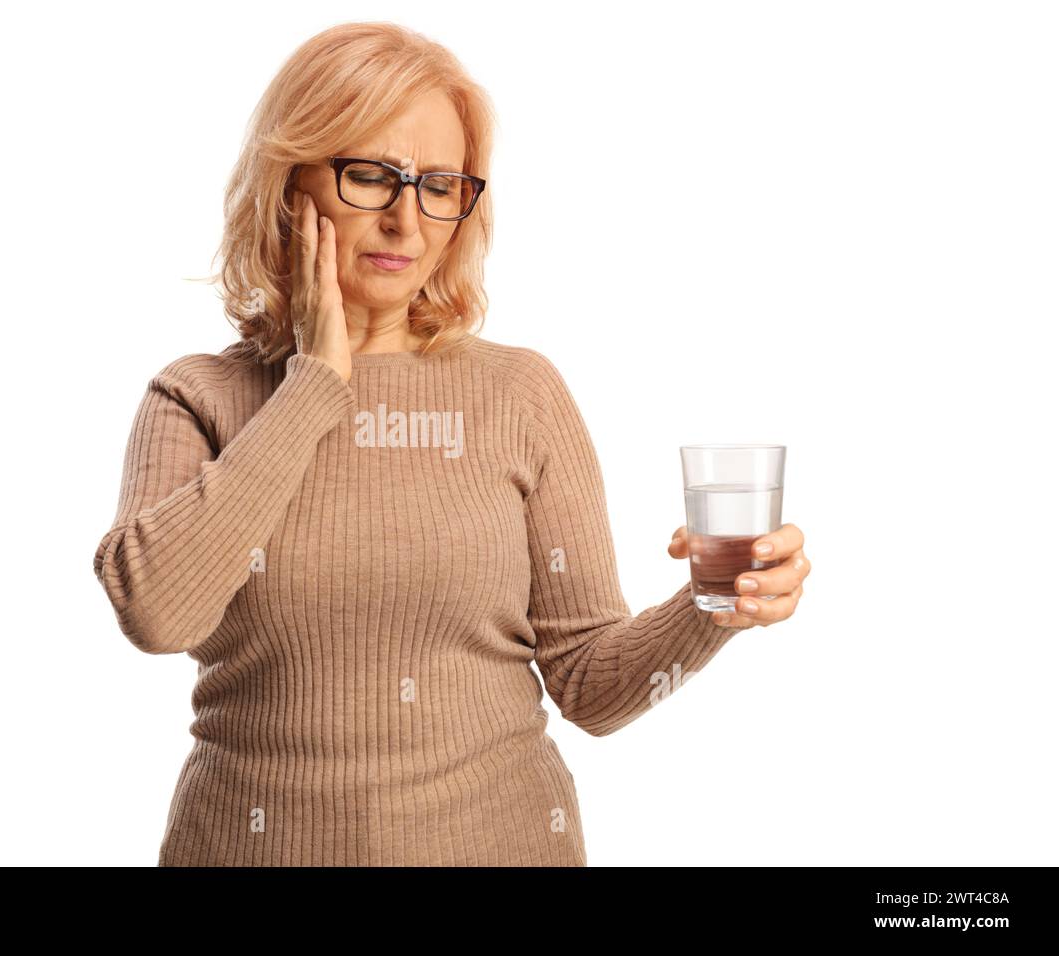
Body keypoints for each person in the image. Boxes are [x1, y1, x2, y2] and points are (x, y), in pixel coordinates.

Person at [92, 21, 811, 866]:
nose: (406, 220)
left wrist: (711, 605)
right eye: (371, 176)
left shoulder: (520, 394)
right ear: (292, 186)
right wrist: (316, 384)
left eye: (439, 185)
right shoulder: (196, 396)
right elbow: (157, 613)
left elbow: (587, 684)